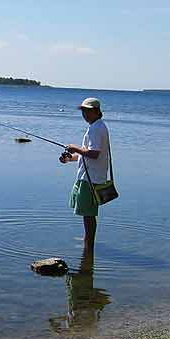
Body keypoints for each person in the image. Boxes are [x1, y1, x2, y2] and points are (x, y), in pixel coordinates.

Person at [58, 97, 110, 251]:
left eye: (88, 111)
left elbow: (93, 154)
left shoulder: (96, 128)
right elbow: (88, 154)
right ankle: (88, 239)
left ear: (96, 112)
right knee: (88, 213)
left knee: (88, 214)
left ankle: (89, 243)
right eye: (83, 111)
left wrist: (74, 147)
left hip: (91, 178)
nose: (85, 114)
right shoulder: (97, 126)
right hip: (90, 175)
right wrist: (70, 158)